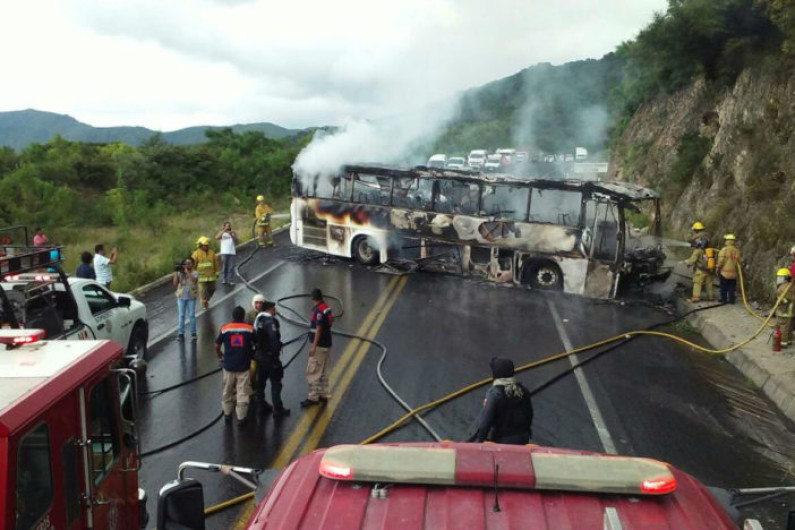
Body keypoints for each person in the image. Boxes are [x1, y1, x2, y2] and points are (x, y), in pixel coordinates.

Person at [468, 357, 533, 444]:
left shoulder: (495, 393)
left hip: (503, 440)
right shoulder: (523, 390)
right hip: (523, 438)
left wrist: (479, 441)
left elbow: (485, 422)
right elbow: (530, 415)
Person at [215, 306, 256, 425]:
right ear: (243, 316)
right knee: (242, 391)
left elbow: (217, 345)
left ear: (232, 316)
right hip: (243, 366)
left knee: (227, 390)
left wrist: (220, 355)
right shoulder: (249, 329)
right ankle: (241, 417)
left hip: (228, 366)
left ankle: (227, 414)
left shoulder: (225, 329)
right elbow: (256, 343)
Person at [252, 300, 291, 417]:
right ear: (269, 309)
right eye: (274, 309)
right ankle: (278, 409)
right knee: (276, 382)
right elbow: (273, 338)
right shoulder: (270, 322)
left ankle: (261, 405)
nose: (275, 311)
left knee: (261, 382)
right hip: (269, 357)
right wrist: (275, 353)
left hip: (259, 356)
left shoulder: (258, 319)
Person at [301, 288, 333, 407]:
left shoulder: (318, 311)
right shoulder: (326, 307)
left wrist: (313, 346)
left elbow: (318, 328)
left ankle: (313, 397)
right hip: (327, 343)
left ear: (312, 298)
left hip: (319, 345)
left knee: (313, 371)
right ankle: (323, 394)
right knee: (324, 370)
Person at [681, 222, 713, 302]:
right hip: (709, 268)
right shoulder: (710, 249)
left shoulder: (698, 251)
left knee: (697, 283)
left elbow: (692, 260)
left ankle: (695, 298)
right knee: (709, 283)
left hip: (700, 269)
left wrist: (685, 262)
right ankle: (711, 297)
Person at [173, 257, 199, 341]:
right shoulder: (180, 273)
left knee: (191, 315)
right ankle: (181, 333)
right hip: (181, 297)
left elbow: (194, 280)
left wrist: (187, 272)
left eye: (189, 263)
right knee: (181, 315)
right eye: (186, 263)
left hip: (191, 297)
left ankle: (193, 333)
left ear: (193, 264)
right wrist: (176, 272)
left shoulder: (195, 273)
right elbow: (175, 283)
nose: (187, 265)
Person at [192, 236, 219, 310]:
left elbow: (216, 263)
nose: (206, 246)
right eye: (205, 245)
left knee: (212, 289)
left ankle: (206, 299)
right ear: (200, 245)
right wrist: (194, 275)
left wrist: (217, 272)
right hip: (201, 278)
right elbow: (193, 266)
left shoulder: (212, 253)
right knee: (203, 292)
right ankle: (204, 304)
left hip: (211, 276)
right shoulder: (196, 254)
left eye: (207, 245)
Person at [716, 234, 740, 304]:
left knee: (723, 287)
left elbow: (721, 261)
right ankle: (731, 300)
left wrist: (718, 267)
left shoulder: (724, 250)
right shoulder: (736, 251)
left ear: (727, 241)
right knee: (731, 287)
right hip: (733, 273)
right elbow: (738, 262)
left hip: (724, 273)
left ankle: (723, 300)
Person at [215, 221, 238, 285]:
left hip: (232, 252)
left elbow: (237, 241)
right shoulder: (222, 233)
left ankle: (231, 280)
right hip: (224, 252)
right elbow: (217, 237)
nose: (228, 227)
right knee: (225, 266)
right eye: (227, 226)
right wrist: (224, 231)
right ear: (224, 226)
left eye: (229, 226)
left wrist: (232, 235)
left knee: (231, 266)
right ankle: (224, 279)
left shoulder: (233, 232)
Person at [776, 269, 794, 348]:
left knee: (784, 328)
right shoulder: (791, 286)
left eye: (780, 277)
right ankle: (789, 341)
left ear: (786, 277)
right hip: (790, 311)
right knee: (789, 327)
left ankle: (783, 343)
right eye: (778, 277)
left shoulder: (783, 287)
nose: (779, 279)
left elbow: (786, 299)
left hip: (784, 311)